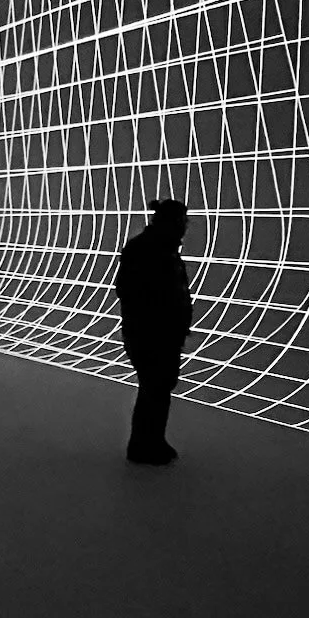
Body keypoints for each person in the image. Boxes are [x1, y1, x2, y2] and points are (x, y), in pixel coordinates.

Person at [115, 198, 193, 465]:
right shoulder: (147, 249)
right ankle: (142, 447)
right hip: (151, 334)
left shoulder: (161, 247)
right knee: (154, 387)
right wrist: (156, 317)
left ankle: (153, 441)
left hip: (162, 334)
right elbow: (128, 289)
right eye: (182, 220)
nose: (185, 226)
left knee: (158, 387)